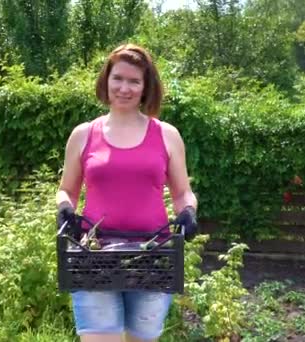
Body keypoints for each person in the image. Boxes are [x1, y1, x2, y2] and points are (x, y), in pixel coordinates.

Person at [55, 43, 198, 342]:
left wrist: (188, 212)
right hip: (94, 257)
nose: (124, 88)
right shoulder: (83, 134)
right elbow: (66, 190)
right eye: (118, 78)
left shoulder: (167, 135)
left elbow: (183, 192)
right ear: (106, 81)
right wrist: (65, 209)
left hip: (154, 257)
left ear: (146, 87)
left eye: (134, 81)